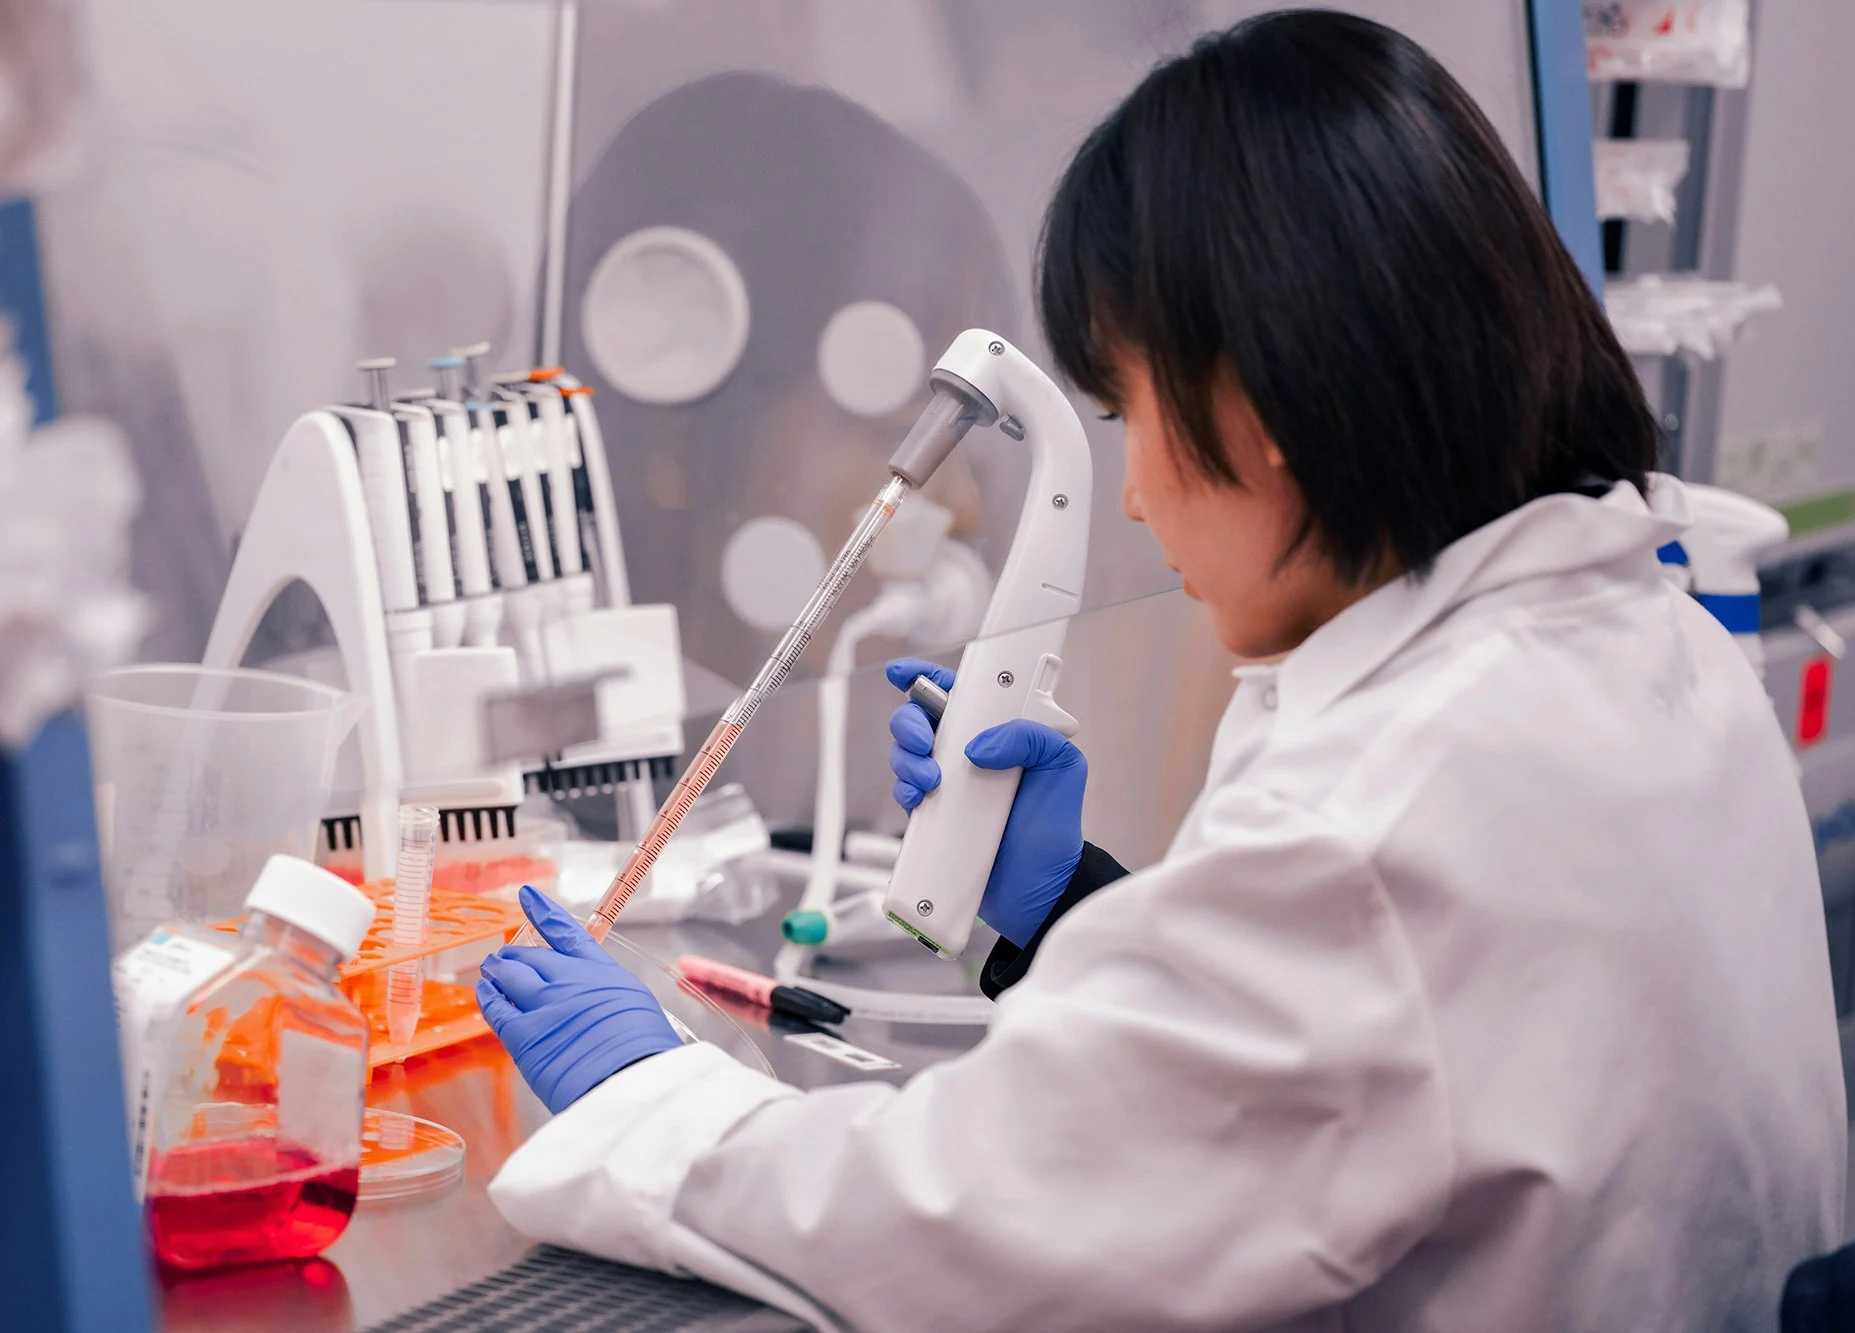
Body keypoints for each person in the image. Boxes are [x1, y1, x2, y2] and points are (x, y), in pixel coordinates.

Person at [477, 13, 1847, 1330]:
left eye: (1127, 411)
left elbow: (973, 1222)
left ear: (1254, 407)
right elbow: (1332, 1090)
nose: (1131, 494)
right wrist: (1067, 910)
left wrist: (653, 1099)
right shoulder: (1652, 636)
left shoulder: (1374, 823)